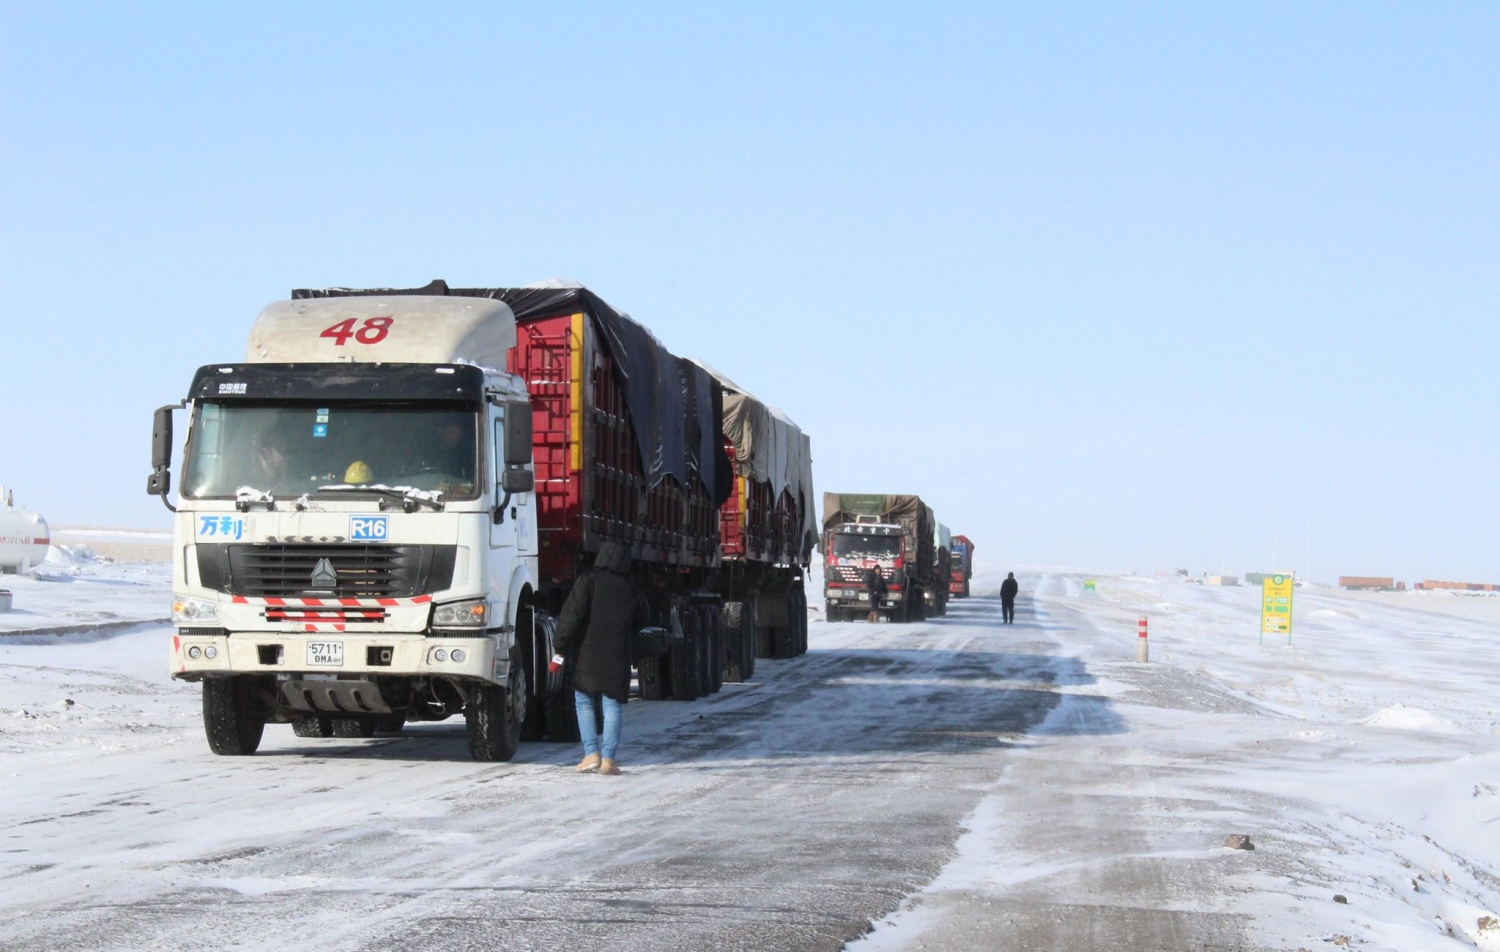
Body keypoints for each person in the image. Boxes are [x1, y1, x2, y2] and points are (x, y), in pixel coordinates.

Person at [549, 541, 648, 776]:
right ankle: (609, 760)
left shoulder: (588, 580)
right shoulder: (631, 588)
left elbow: (572, 615)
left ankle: (591, 753)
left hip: (588, 652)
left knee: (584, 700)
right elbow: (643, 617)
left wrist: (560, 644)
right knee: (612, 705)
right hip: (618, 654)